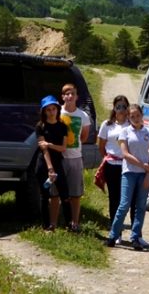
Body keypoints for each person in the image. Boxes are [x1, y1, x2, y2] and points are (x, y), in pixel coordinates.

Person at [104, 104, 149, 250]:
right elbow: (125, 154)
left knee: (140, 206)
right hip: (129, 172)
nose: (135, 118)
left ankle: (135, 237)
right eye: (132, 116)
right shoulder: (125, 132)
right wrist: (143, 165)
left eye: (138, 115)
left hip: (143, 174)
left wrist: (148, 174)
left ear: (142, 115)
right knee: (124, 205)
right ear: (128, 117)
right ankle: (113, 235)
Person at [60, 83, 92, 232]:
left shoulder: (83, 116)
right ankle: (56, 222)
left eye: (73, 93)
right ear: (63, 97)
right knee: (56, 193)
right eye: (67, 93)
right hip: (59, 157)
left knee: (75, 193)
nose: (70, 96)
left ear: (77, 96)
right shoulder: (58, 112)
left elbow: (84, 137)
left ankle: (75, 222)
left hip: (76, 157)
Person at [35, 95, 69, 230]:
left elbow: (63, 148)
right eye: (48, 110)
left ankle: (70, 225)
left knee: (64, 194)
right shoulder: (40, 126)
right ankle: (46, 227)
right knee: (45, 196)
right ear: (44, 111)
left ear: (57, 109)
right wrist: (50, 169)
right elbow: (43, 149)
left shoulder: (62, 126)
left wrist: (49, 144)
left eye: (53, 109)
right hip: (44, 164)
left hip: (58, 163)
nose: (51, 112)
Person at [97, 95, 131, 228]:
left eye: (124, 107)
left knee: (125, 199)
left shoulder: (131, 125)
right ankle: (114, 227)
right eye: (118, 107)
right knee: (113, 197)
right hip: (111, 165)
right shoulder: (107, 125)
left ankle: (120, 223)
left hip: (126, 165)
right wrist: (107, 157)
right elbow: (101, 146)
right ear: (114, 108)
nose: (121, 110)